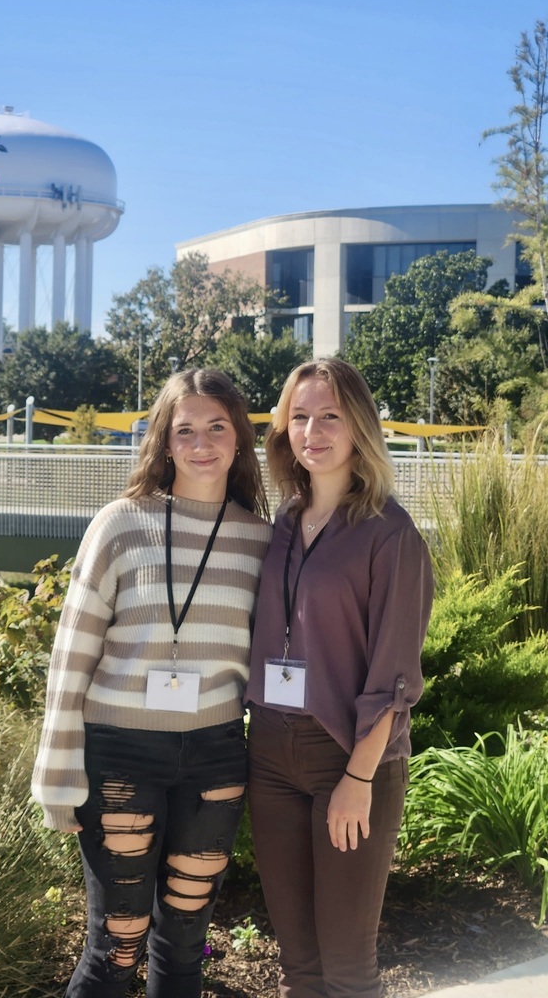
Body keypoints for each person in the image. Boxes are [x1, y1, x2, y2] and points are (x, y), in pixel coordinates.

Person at [32, 368, 272, 998]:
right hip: (121, 755)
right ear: (164, 441)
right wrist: (58, 775)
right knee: (118, 942)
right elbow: (71, 657)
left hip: (216, 757)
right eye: (184, 429)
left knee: (187, 944)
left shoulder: (260, 541)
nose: (201, 443)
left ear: (240, 437)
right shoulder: (120, 523)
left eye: (216, 427)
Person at [245, 358, 433, 998]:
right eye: (299, 416)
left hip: (348, 759)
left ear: (360, 427)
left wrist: (358, 778)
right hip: (270, 753)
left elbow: (396, 676)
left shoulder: (390, 533)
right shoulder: (281, 524)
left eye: (330, 416)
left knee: (348, 967)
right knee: (298, 964)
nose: (312, 431)